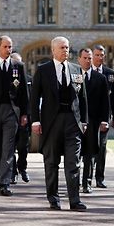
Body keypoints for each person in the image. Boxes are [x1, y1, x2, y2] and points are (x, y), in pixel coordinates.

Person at [31, 36, 88, 211]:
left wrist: (84, 121)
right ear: (53, 50)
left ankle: (74, 200)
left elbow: (83, 98)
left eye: (67, 48)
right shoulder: (43, 70)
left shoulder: (76, 69)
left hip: (72, 121)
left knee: (73, 162)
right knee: (51, 162)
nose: (66, 51)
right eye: (62, 48)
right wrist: (35, 120)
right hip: (51, 122)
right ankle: (53, 199)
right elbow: (34, 97)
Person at [0, 35, 29, 196]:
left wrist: (24, 113)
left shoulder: (18, 66)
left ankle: (5, 182)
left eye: (10, 47)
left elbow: (24, 92)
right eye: (6, 47)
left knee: (8, 148)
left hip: (11, 111)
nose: (9, 50)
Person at [78, 48, 110, 194]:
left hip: (93, 121)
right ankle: (75, 181)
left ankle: (87, 182)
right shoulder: (74, 76)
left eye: (89, 58)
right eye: (85, 58)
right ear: (79, 59)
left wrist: (104, 120)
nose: (87, 60)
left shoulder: (100, 78)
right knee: (76, 153)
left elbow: (105, 102)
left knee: (90, 153)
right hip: (77, 121)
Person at [92, 45, 114, 189]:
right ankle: (86, 178)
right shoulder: (84, 72)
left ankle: (99, 178)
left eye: (102, 55)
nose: (99, 57)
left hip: (104, 116)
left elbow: (113, 96)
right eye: (97, 55)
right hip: (89, 116)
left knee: (102, 148)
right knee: (89, 148)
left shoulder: (109, 73)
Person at [10, 52, 30, 184]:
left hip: (24, 117)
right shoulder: (7, 79)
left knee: (23, 146)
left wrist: (28, 115)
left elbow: (31, 99)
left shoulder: (29, 79)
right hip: (11, 115)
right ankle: (12, 172)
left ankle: (22, 167)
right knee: (10, 146)